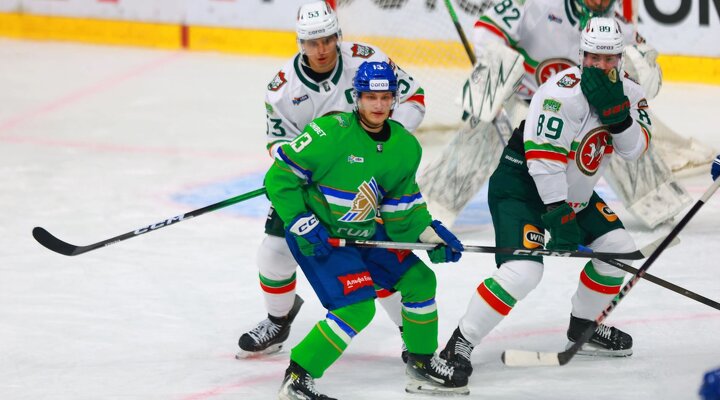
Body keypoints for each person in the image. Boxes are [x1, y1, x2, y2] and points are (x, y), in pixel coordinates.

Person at [440, 17, 649, 376]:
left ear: (619, 58)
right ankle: (460, 341)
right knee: (524, 272)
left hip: (574, 190)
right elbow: (543, 162)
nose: (601, 66)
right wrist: (558, 212)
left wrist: (619, 118)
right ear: (582, 56)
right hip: (521, 186)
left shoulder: (629, 93)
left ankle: (583, 328)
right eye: (594, 58)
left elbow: (634, 150)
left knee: (618, 251)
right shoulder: (560, 93)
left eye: (609, 59)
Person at [267, 61, 468, 399]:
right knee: (357, 307)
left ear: (394, 99)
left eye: (385, 97)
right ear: (357, 98)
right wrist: (300, 220)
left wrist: (428, 234)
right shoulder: (330, 132)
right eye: (371, 97)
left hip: (364, 232)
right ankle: (297, 377)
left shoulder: (405, 146)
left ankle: (420, 363)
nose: (378, 105)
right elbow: (279, 177)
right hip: (321, 236)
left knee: (420, 280)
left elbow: (401, 208)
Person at [237, 0, 426, 359]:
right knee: (274, 253)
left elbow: (413, 97)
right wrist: (302, 170)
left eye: (327, 39)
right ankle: (278, 321)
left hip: (368, 181)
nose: (322, 49)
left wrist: (382, 146)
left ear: (338, 35)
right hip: (314, 189)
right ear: (300, 43)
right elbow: (278, 142)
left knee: (378, 255)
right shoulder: (282, 89)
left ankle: (409, 329)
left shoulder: (368, 60)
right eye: (312, 42)